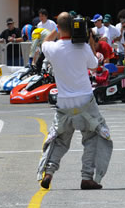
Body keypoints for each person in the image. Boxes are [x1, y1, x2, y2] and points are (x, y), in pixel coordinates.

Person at [36, 12, 112, 190]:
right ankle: (87, 177)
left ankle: (48, 172)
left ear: (59, 27)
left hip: (64, 103)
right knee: (94, 136)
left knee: (60, 139)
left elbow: (45, 42)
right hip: (85, 100)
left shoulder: (52, 49)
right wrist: (90, 42)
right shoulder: (83, 47)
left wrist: (57, 30)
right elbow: (94, 65)